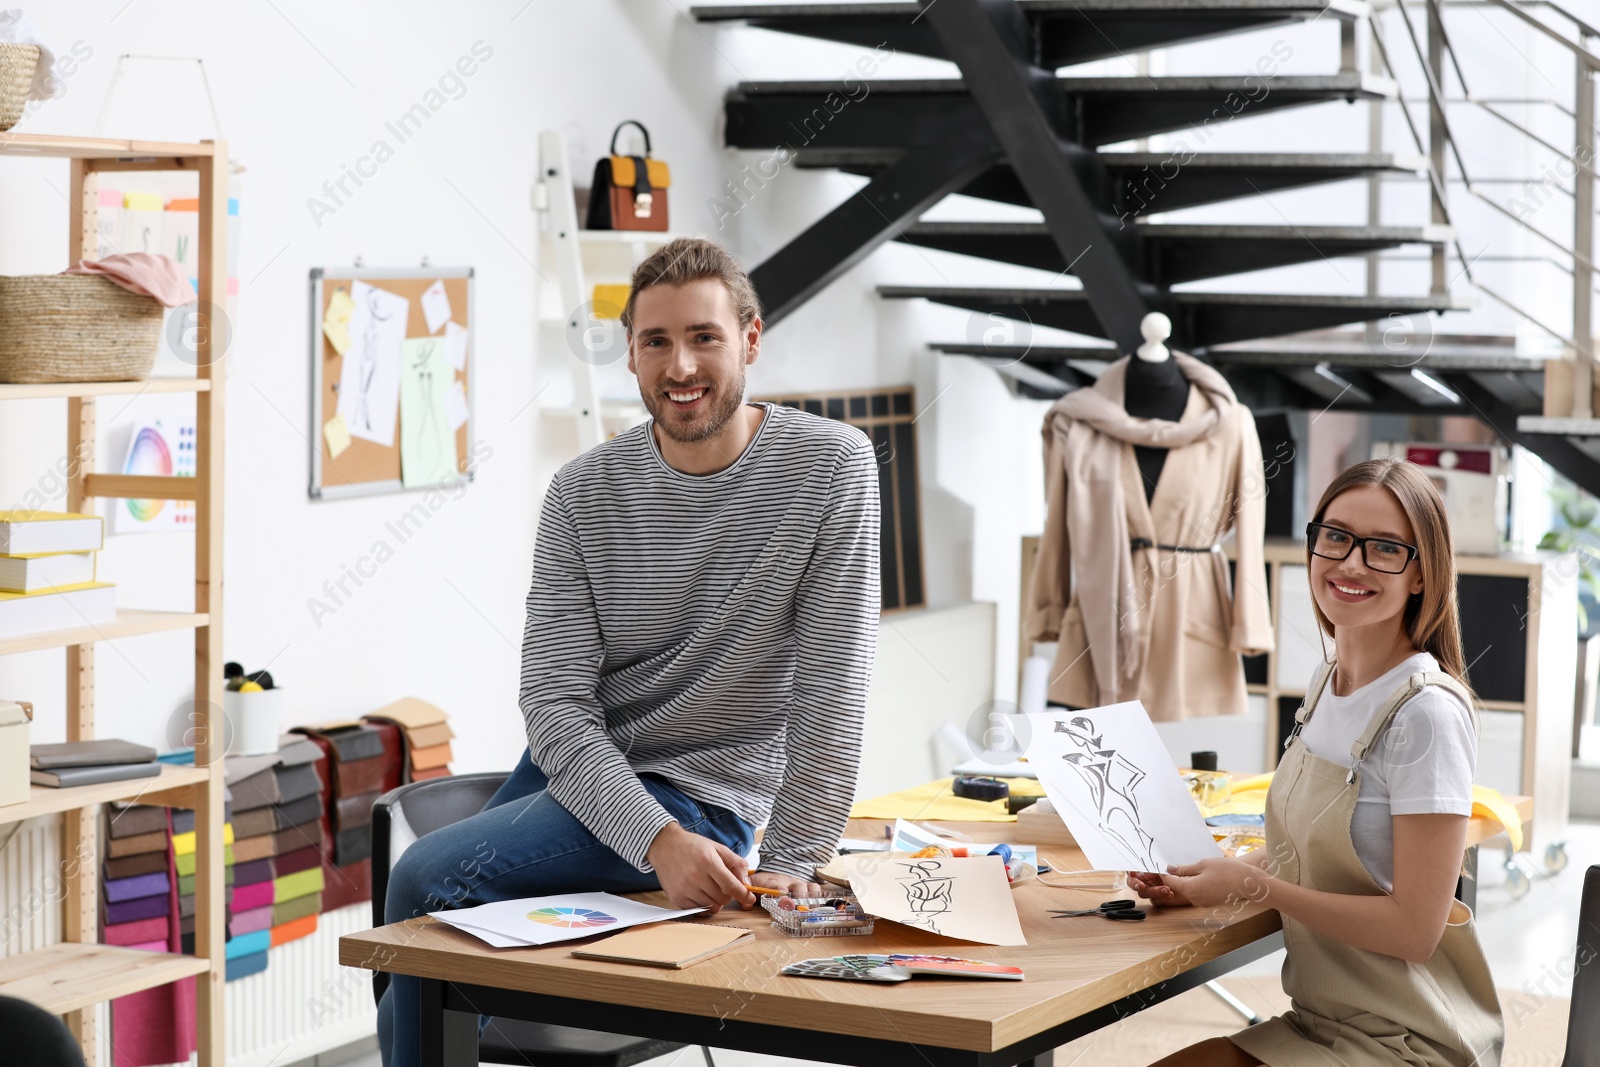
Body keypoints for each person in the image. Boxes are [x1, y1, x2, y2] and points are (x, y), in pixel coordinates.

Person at [377, 237, 881, 1067]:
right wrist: (652, 839)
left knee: (425, 880)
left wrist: (791, 861)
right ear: (632, 354)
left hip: (707, 798)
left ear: (751, 339)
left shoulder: (829, 467)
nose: (680, 365)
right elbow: (554, 704)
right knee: (426, 903)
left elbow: (834, 688)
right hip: (584, 774)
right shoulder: (582, 491)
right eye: (656, 342)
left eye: (704, 337)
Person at [1130, 458, 1504, 1067]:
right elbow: (1309, 854)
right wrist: (1206, 882)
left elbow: (1415, 930)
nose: (1350, 564)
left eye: (1384, 548)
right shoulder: (1329, 680)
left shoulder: (1425, 716)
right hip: (1320, 1021)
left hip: (1406, 1042)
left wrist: (1255, 886)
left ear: (1421, 574)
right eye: (1335, 537)